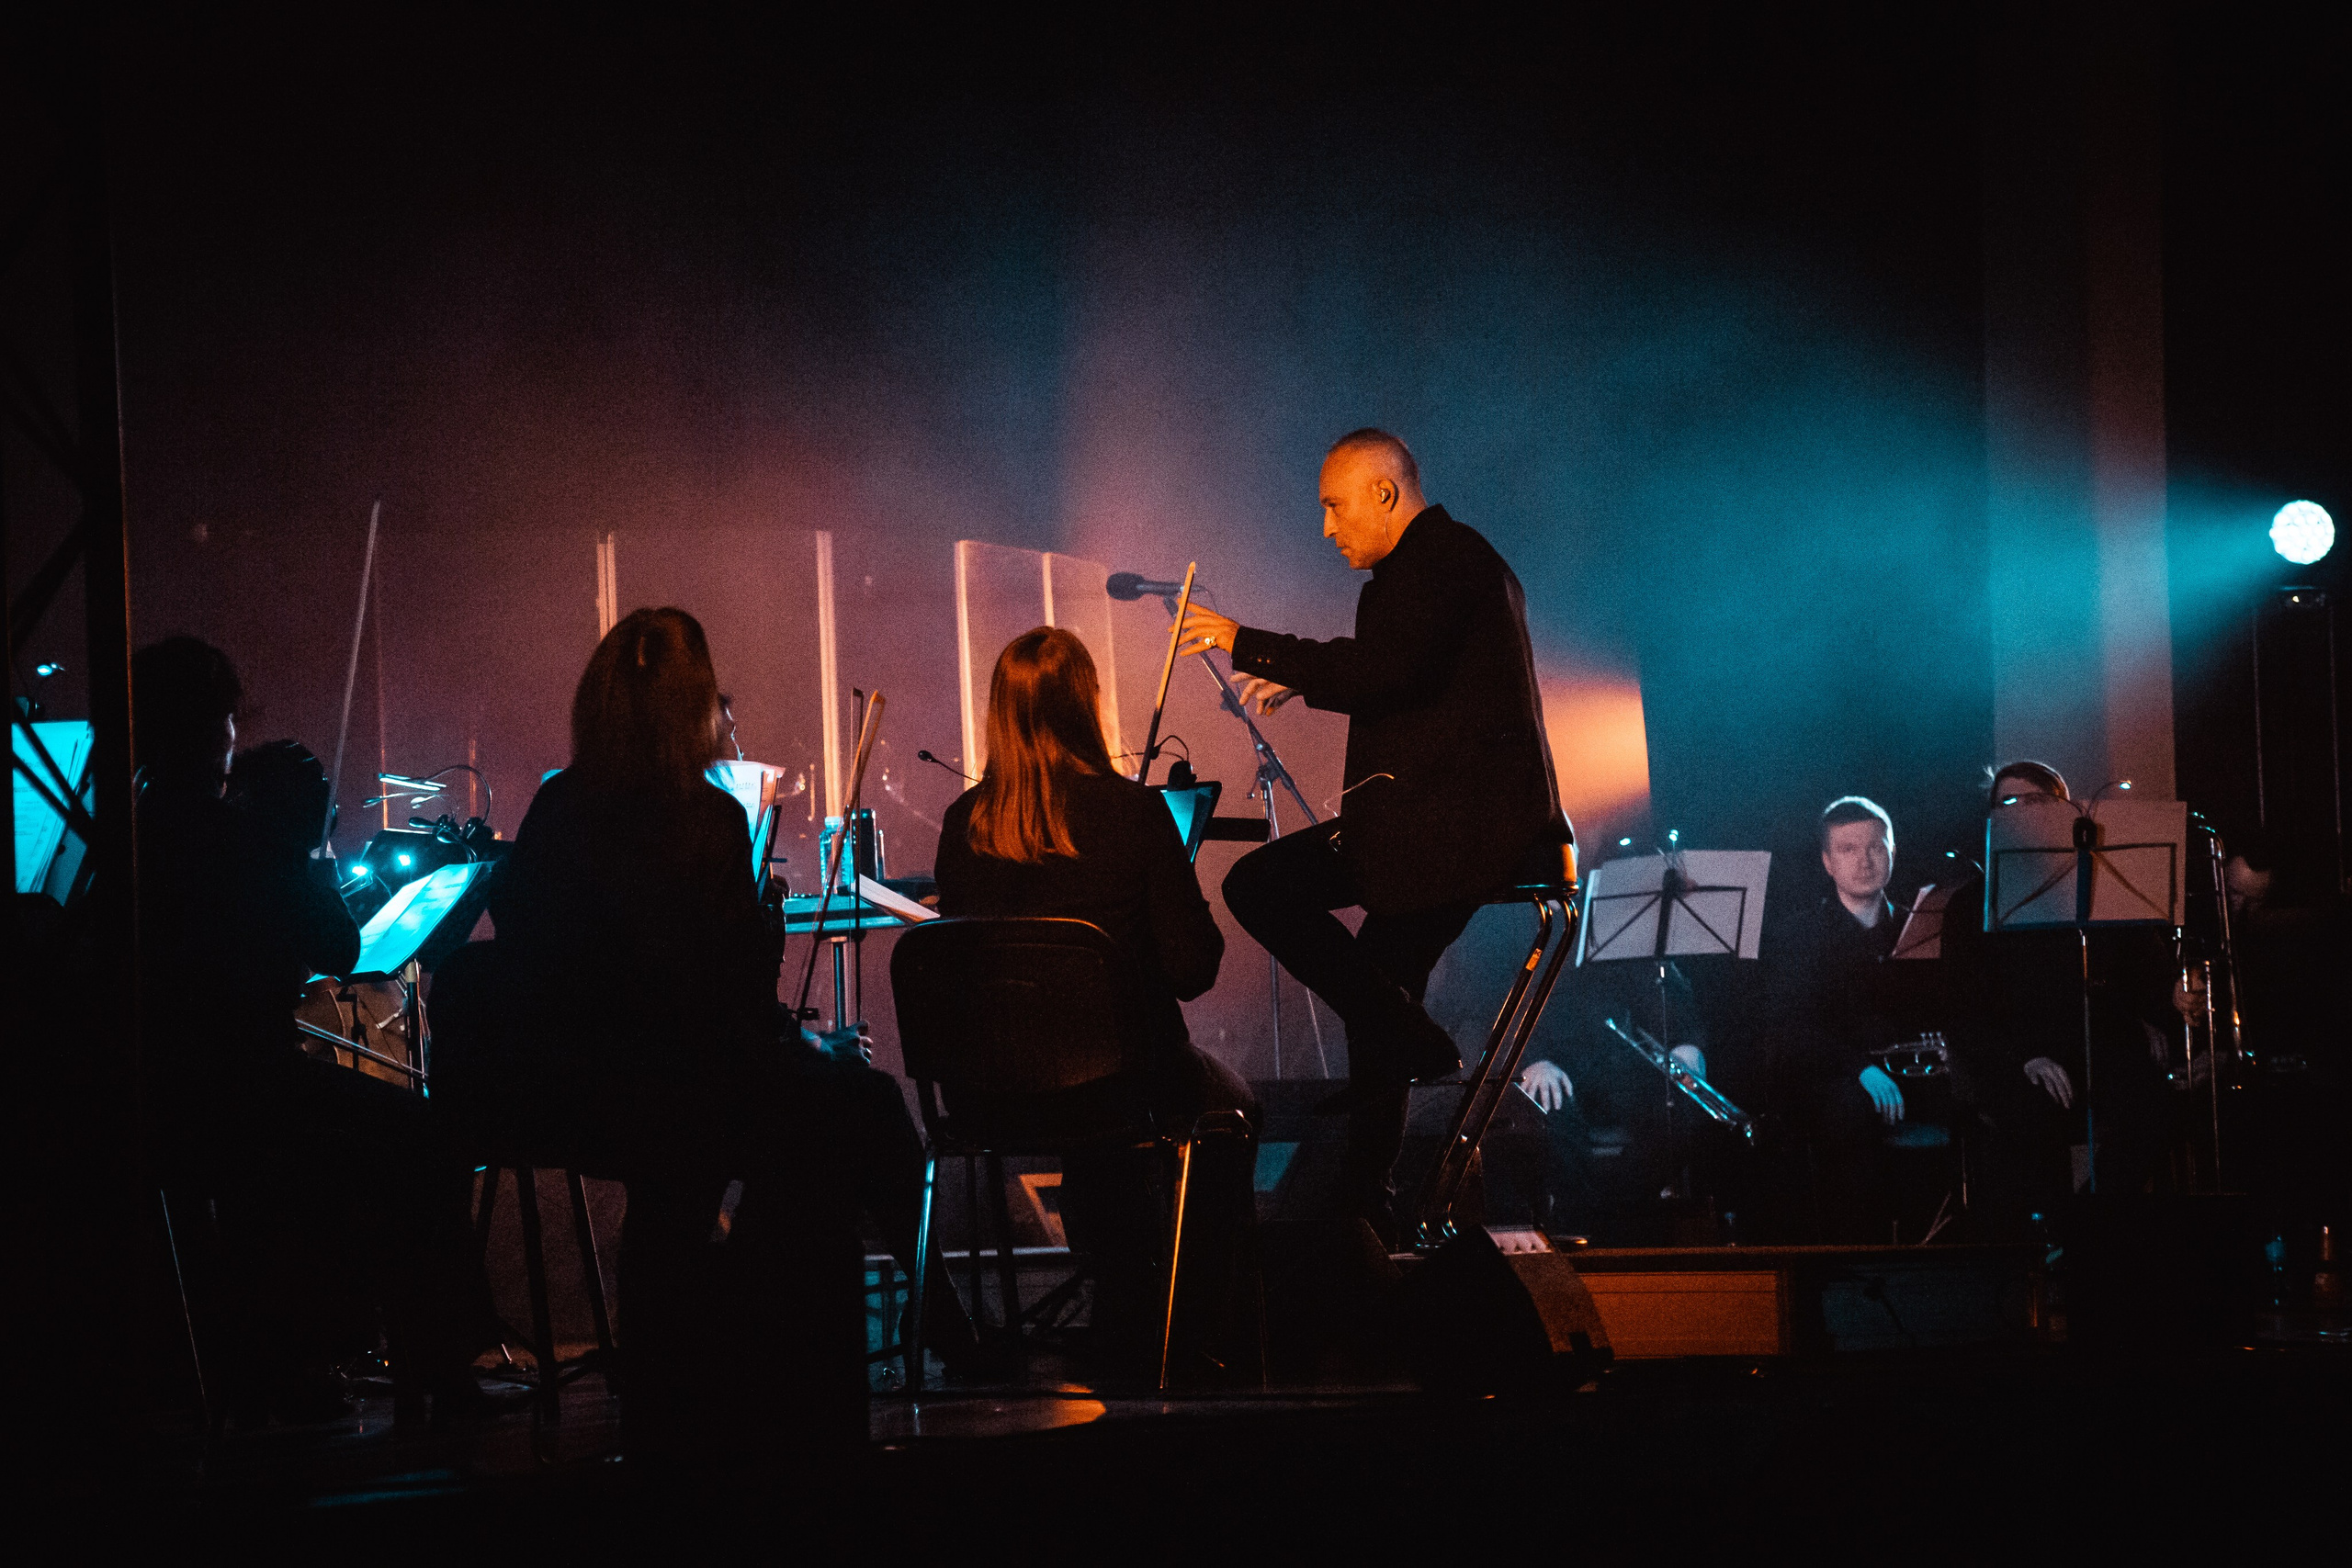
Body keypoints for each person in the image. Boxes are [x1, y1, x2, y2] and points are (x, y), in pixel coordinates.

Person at [484, 607, 957, 1462]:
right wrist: (790, 1021)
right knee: (864, 1103)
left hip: (567, 1088)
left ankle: (681, 1373)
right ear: (693, 706)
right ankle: (935, 1341)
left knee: (762, 1129)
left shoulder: (557, 805)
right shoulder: (705, 818)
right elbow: (723, 1003)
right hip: (681, 1084)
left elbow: (527, 951)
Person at [1176, 429, 1570, 1242]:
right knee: (1382, 979)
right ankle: (1368, 1198)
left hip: (1459, 832)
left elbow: (1389, 672)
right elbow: (1398, 673)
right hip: (1434, 825)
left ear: (1385, 493)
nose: (1326, 527)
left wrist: (1245, 641)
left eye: (1333, 504)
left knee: (1261, 888)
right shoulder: (1442, 565)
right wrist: (1306, 680)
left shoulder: (1442, 561)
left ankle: (1369, 1175)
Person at [133, 635, 495, 1424]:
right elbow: (334, 945)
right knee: (418, 1131)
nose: (233, 737)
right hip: (239, 1092)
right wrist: (305, 843)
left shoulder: (129, 831)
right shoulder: (233, 838)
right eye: (226, 718)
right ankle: (438, 1370)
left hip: (163, 1090)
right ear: (208, 727)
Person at [933, 626, 1255, 1377]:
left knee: (1086, 1098)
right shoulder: (1135, 815)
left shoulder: (963, 823)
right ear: (1088, 704)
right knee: (1231, 1110)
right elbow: (1192, 968)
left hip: (987, 1097)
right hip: (1117, 1092)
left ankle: (1107, 1300)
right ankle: (1192, 1332)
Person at [1759, 795, 1957, 1241]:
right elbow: (1792, 1030)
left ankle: (1962, 1244)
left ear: (1892, 850)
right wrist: (1862, 1069)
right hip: (1837, 1079)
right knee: (1846, 1111)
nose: (1865, 861)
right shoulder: (1799, 937)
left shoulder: (1920, 926)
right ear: (1828, 863)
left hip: (1909, 1074)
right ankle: (1860, 1254)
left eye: (1876, 847)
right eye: (1848, 849)